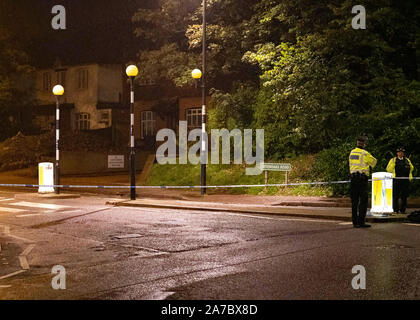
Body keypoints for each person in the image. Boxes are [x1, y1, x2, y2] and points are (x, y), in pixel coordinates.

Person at [349, 136, 377, 228]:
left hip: (353, 179)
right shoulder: (365, 154)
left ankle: (355, 222)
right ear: (364, 144)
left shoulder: (352, 152)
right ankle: (361, 222)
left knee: (354, 201)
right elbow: (374, 163)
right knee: (363, 201)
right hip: (362, 180)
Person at [386, 147, 414, 214]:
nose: (400, 153)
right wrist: (393, 165)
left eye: (402, 152)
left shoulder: (407, 160)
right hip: (396, 180)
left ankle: (403, 210)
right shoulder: (393, 160)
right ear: (397, 153)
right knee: (395, 195)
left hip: (405, 180)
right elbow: (388, 169)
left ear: (403, 153)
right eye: (399, 152)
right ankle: (395, 209)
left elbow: (412, 168)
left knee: (404, 196)